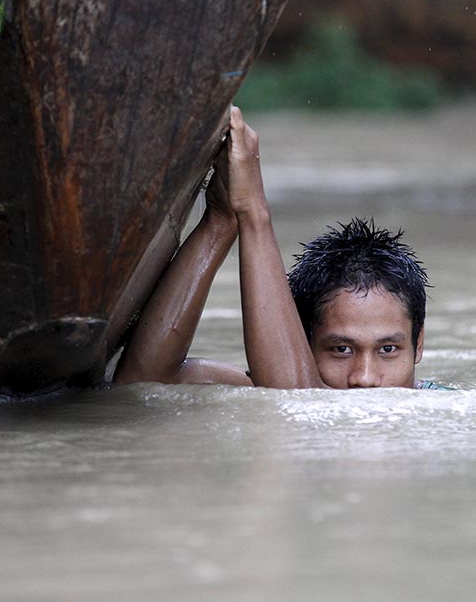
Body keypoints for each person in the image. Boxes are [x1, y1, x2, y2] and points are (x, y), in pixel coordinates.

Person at [114, 107, 441, 390]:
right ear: (302, 342)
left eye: (388, 350)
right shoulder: (278, 381)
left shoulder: (445, 411)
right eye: (341, 349)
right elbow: (142, 383)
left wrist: (253, 211)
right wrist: (221, 220)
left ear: (419, 344)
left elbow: (297, 401)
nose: (365, 378)